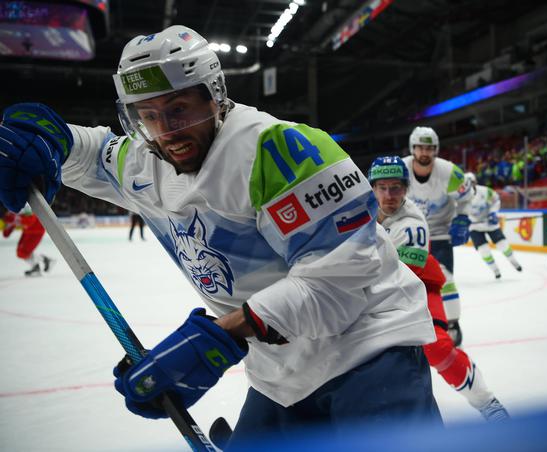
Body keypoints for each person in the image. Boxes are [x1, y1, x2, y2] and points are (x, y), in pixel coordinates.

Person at [0, 25, 441, 443]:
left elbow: (339, 284)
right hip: (280, 372)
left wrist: (215, 339)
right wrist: (46, 137)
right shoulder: (144, 158)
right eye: (148, 115)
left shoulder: (280, 151)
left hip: (371, 351)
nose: (166, 132)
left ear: (214, 96)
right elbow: (92, 153)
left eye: (179, 109)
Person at [368, 156, 509, 421]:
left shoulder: (412, 223)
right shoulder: (360, 208)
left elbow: (395, 278)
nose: (388, 195)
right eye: (382, 187)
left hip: (418, 285)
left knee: (438, 348)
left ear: (407, 189)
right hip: (378, 284)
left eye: (396, 187)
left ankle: (486, 401)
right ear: (371, 188)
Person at [402, 127, 467, 345]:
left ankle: (452, 323)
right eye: (420, 147)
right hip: (407, 232)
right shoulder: (400, 168)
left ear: (435, 150)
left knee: (445, 278)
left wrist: (462, 217)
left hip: (439, 233)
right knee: (404, 281)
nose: (424, 152)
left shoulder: (449, 172)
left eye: (429, 148)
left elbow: (468, 196)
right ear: (413, 148)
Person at [457, 173, 522, 279]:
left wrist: (493, 213)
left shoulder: (486, 191)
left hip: (490, 223)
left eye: (471, 183)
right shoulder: (460, 197)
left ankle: (513, 262)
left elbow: (496, 200)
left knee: (503, 245)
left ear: (475, 182)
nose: (469, 186)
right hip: (474, 227)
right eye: (466, 184)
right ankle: (495, 270)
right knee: (483, 251)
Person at [2, 204, 54, 276]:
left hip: (36, 230)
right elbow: (6, 233)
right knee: (21, 253)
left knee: (22, 252)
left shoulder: (21, 206)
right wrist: (10, 221)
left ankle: (42, 261)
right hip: (29, 230)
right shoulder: (11, 212)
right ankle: (39, 263)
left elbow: (30, 220)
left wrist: (11, 219)